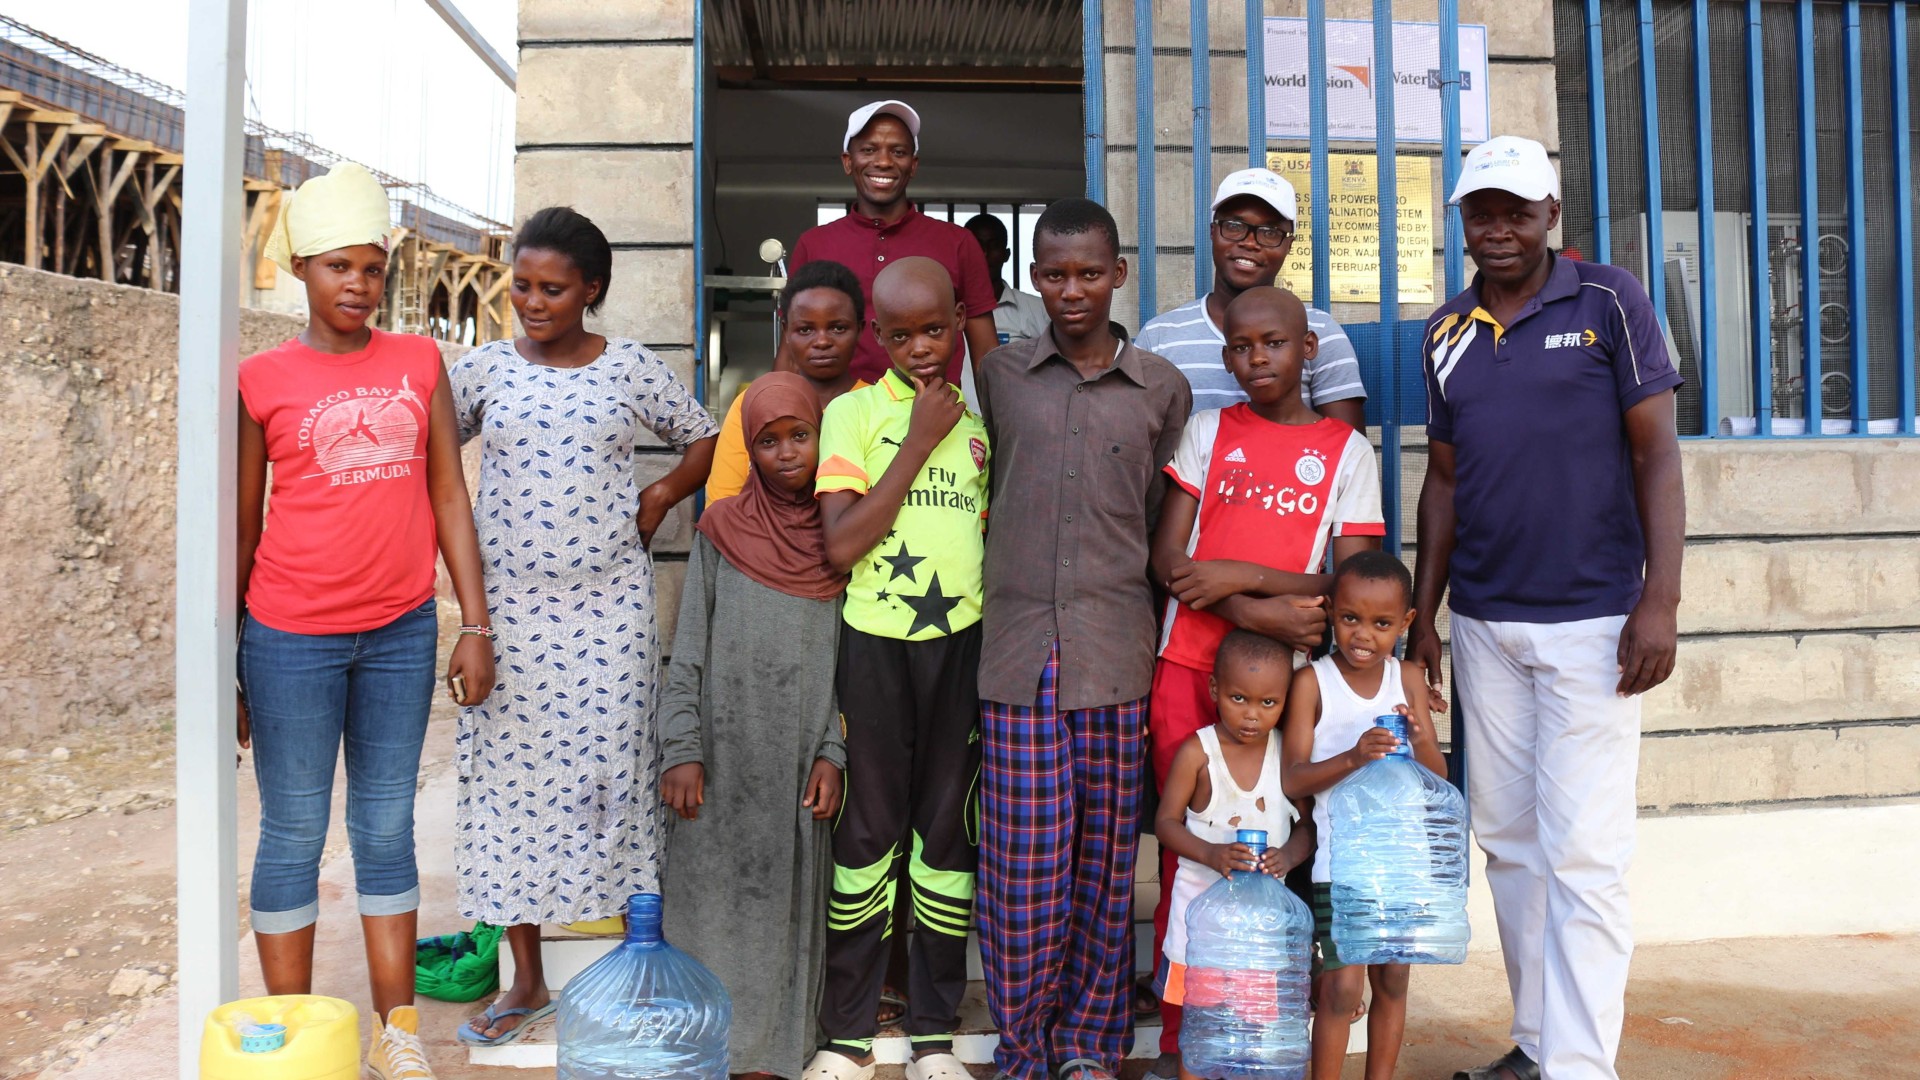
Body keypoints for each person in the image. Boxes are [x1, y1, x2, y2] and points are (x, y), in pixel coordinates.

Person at [1404, 136, 1684, 1080]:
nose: (1498, 229)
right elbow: (1442, 482)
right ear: (1463, 221)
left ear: (1551, 216)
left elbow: (1657, 455)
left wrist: (1661, 602)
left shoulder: (1610, 298)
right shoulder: (1445, 330)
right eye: (1481, 212)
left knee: (1585, 856)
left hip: (1594, 626)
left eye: (1517, 211)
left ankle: (1580, 1067)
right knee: (1513, 846)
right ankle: (1538, 1043)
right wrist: (1423, 615)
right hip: (1485, 624)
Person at [235, 162, 496, 1080]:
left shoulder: (420, 362)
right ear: (302, 268)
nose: (358, 284)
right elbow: (241, 522)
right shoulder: (259, 379)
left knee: (386, 831)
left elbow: (450, 498)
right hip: (288, 636)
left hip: (397, 632)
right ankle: (295, 1039)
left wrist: (475, 622)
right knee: (294, 833)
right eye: (338, 266)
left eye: (372, 267)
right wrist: (234, 661)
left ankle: (396, 1035)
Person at [448, 206, 719, 1047]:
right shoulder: (483, 370)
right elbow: (430, 465)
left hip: (609, 615)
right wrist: (467, 614)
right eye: (521, 285)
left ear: (590, 291)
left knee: (622, 780)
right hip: (508, 618)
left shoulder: (629, 368)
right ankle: (525, 978)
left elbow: (705, 437)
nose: (533, 301)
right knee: (507, 790)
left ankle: (637, 963)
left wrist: (661, 496)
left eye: (553, 289)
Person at [973, 197, 1190, 1080]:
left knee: (1104, 876)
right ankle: (1024, 1050)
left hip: (1114, 655)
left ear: (1118, 275)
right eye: (1055, 274)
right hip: (1017, 657)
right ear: (1033, 279)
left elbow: (1160, 524)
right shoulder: (1001, 378)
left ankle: (1090, 1051)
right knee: (1024, 879)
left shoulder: (1161, 389)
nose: (1073, 290)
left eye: (1089, 273)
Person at [1144, 286, 1385, 1078]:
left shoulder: (1346, 451)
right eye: (1242, 348)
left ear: (1307, 349)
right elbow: (1170, 562)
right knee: (1189, 854)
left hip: (1288, 688)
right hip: (1189, 669)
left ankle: (1262, 1033)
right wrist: (1258, 605)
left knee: (1281, 849)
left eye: (1274, 344)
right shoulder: (1209, 431)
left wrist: (1244, 582)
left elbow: (1348, 584)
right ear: (1226, 357)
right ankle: (1187, 1039)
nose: (1258, 360)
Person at [803, 257, 990, 1080]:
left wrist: (944, 432)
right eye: (903, 335)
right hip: (875, 644)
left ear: (958, 322)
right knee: (868, 838)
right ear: (877, 338)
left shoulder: (983, 432)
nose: (922, 349)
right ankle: (846, 1038)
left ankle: (935, 1037)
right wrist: (916, 440)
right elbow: (841, 544)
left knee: (945, 842)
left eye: (936, 330)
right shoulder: (852, 415)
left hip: (961, 650)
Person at [660, 373, 849, 1080]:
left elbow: (851, 667)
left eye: (799, 434)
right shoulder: (721, 528)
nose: (786, 452)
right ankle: (707, 1055)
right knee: (713, 913)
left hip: (800, 767)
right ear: (749, 450)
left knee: (784, 921)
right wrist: (681, 749)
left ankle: (770, 1058)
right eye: (767, 442)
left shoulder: (843, 539)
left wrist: (833, 750)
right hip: (721, 759)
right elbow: (689, 651)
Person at [1281, 551, 1447, 1080]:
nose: (1363, 635)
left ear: (1406, 623)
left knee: (1394, 978)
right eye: (1351, 618)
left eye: (1381, 624)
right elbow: (1292, 779)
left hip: (1402, 864)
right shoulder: (1313, 683)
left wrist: (1419, 738)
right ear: (1332, 612)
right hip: (1343, 864)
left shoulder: (1409, 679)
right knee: (1342, 986)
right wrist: (1354, 756)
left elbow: (1437, 776)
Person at [1151, 629, 1313, 1080]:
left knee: (1252, 1025)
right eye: (1239, 698)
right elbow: (1165, 824)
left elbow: (1308, 827)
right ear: (1215, 690)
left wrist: (1290, 856)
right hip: (1199, 927)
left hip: (1257, 932)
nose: (1252, 715)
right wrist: (1211, 853)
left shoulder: (1286, 755)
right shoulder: (1197, 754)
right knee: (1201, 1026)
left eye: (1268, 703)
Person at [1133, 168, 1367, 432]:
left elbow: (1345, 451)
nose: (1250, 243)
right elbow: (1140, 445)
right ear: (1213, 232)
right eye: (1234, 226)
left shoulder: (1319, 332)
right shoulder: (1160, 337)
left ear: (1288, 246)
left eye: (1269, 232)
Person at [788, 100, 999, 390]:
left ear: (913, 165)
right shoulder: (813, 245)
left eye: (898, 152)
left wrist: (998, 429)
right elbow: (791, 353)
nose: (884, 162)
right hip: (837, 424)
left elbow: (986, 355)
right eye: (869, 150)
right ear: (848, 161)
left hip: (935, 421)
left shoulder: (958, 242)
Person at [706, 260, 869, 503]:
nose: (822, 341)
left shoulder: (877, 406)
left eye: (837, 328)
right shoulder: (751, 404)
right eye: (805, 330)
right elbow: (723, 504)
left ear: (860, 329)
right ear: (786, 332)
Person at [962, 213, 1050, 345]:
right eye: (977, 246)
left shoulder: (1039, 309)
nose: (985, 253)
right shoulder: (946, 311)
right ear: (963, 254)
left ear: (1006, 254)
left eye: (994, 246)